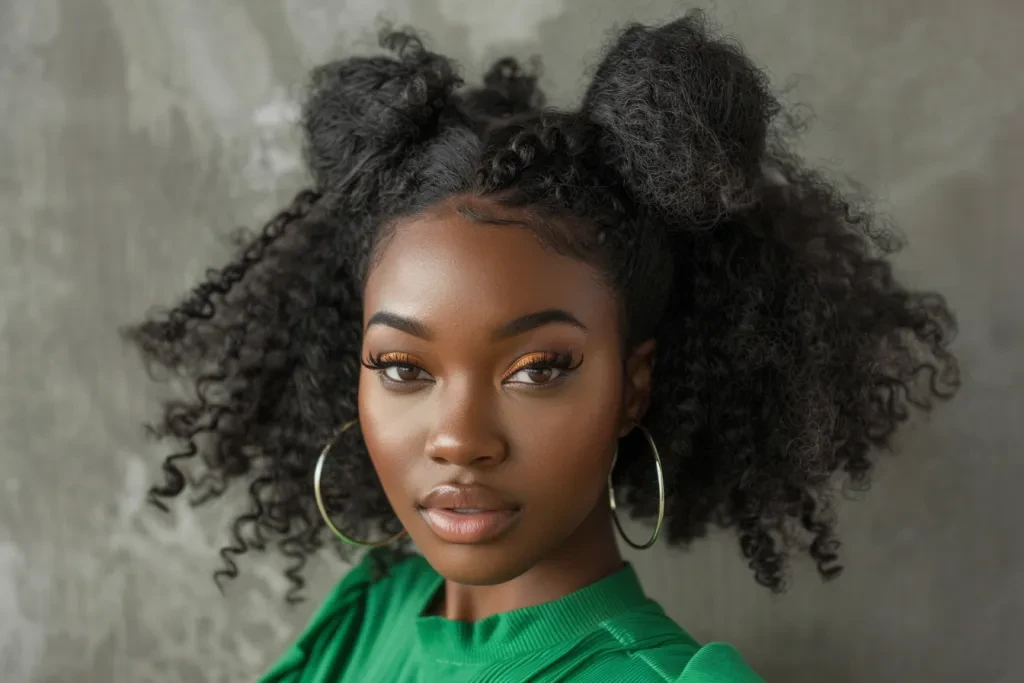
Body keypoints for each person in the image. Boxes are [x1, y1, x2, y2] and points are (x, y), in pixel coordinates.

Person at [124, 11, 960, 682]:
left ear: (633, 388)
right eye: (404, 368)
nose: (458, 437)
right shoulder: (372, 611)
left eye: (537, 369)